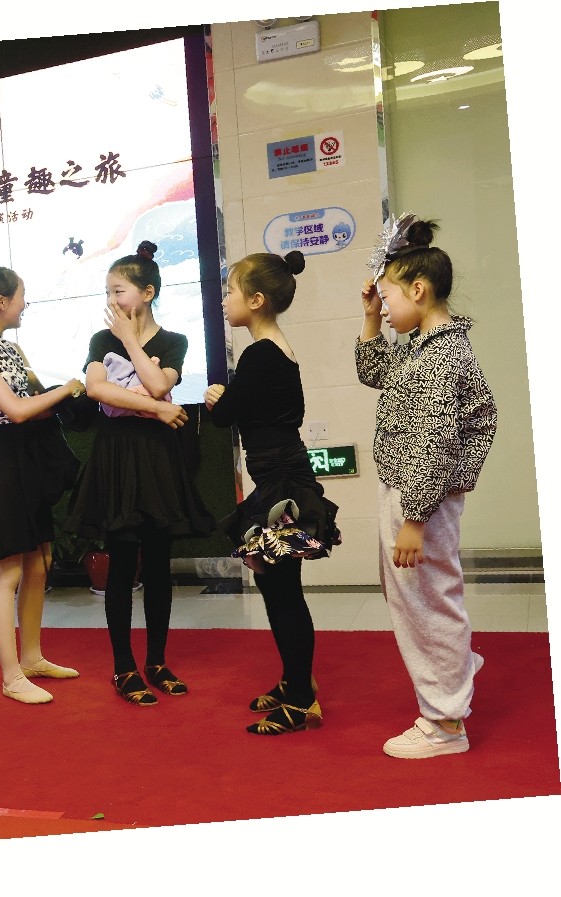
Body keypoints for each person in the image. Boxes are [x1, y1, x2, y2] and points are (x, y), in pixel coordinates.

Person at [356, 214, 496, 758]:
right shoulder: (422, 346)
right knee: (418, 596)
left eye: (388, 296)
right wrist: (371, 318)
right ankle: (454, 667)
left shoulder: (440, 355)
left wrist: (414, 519)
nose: (385, 305)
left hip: (423, 496)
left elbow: (433, 442)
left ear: (418, 290)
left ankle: (445, 723)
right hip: (413, 488)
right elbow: (374, 374)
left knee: (426, 602)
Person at [63, 241, 213, 707]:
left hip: (158, 457)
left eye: (119, 290)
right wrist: (158, 409)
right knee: (122, 564)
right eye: (108, 291)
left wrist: (131, 343)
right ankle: (123, 666)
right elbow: (96, 388)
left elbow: (159, 381)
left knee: (159, 564)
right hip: (117, 455)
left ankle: (157, 661)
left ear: (147, 293)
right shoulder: (99, 340)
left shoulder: (173, 341)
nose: (111, 300)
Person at [205, 251, 340, 735]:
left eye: (230, 292)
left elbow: (225, 415)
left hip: (282, 483)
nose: (224, 300)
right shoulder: (274, 349)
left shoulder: (260, 353)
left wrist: (219, 399)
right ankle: (293, 680)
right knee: (273, 584)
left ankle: (302, 699)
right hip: (278, 479)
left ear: (257, 300)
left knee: (284, 592)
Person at [0, 268, 84, 704]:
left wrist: (69, 397)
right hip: (7, 462)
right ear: (1, 302)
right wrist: (67, 389)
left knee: (39, 564)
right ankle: (11, 677)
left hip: (31, 460)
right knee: (6, 571)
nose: (26, 304)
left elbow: (34, 406)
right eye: (22, 296)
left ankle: (32, 658)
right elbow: (16, 410)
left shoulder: (11, 347)